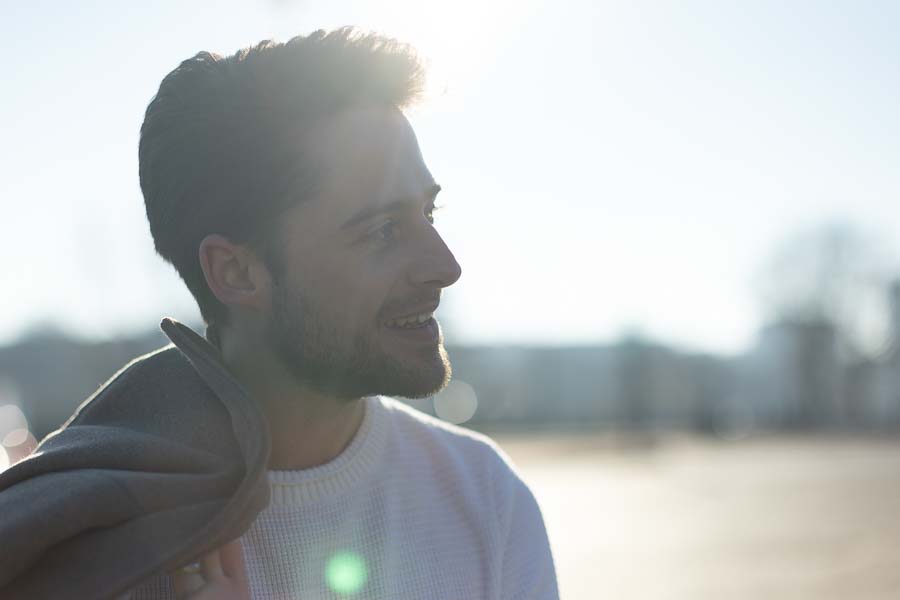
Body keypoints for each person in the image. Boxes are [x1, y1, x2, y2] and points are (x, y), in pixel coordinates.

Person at [123, 27, 559, 599]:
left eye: (430, 213)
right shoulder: (81, 545)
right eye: (382, 230)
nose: (445, 266)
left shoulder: (483, 497)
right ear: (236, 272)